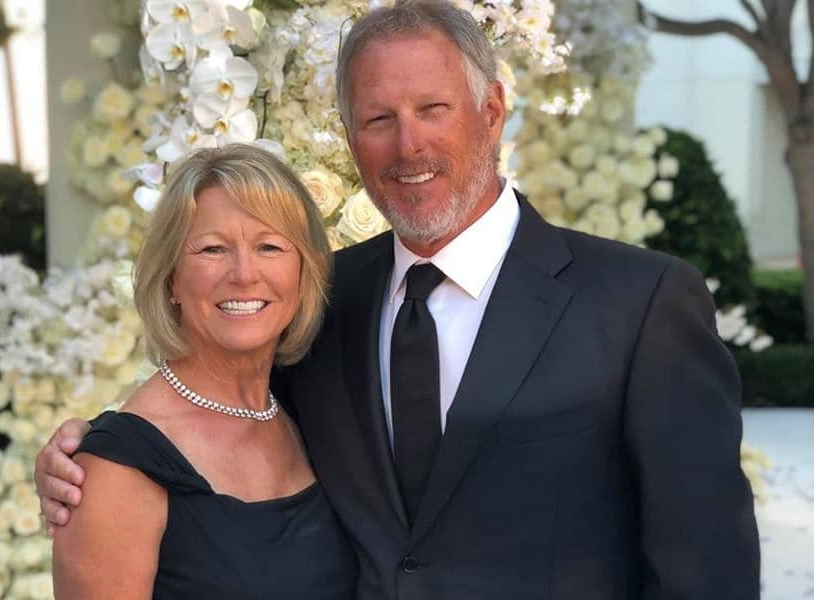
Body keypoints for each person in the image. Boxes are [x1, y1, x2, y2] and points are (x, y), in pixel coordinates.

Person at [38, 1, 761, 598]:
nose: (408, 145)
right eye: (378, 119)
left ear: (492, 111)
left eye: (433, 109)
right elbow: (217, 421)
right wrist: (95, 457)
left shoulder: (639, 304)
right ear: (351, 137)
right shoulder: (319, 302)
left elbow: (707, 569)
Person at [50, 144, 357, 599]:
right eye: (213, 249)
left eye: (269, 246)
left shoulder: (308, 407)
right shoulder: (117, 468)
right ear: (172, 276)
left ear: (303, 271)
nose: (244, 274)